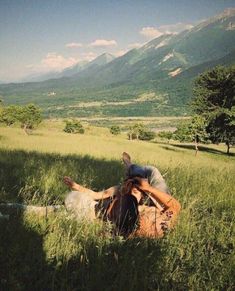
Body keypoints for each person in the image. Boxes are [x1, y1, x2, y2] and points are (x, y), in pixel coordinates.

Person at [63, 152, 181, 238]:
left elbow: (174, 207)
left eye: (134, 191)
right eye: (129, 190)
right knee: (150, 170)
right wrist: (76, 186)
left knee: (149, 171)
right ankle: (129, 166)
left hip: (145, 192)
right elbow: (95, 195)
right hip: (100, 206)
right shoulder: (121, 192)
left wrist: (148, 188)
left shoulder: (147, 207)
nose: (130, 192)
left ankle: (129, 165)